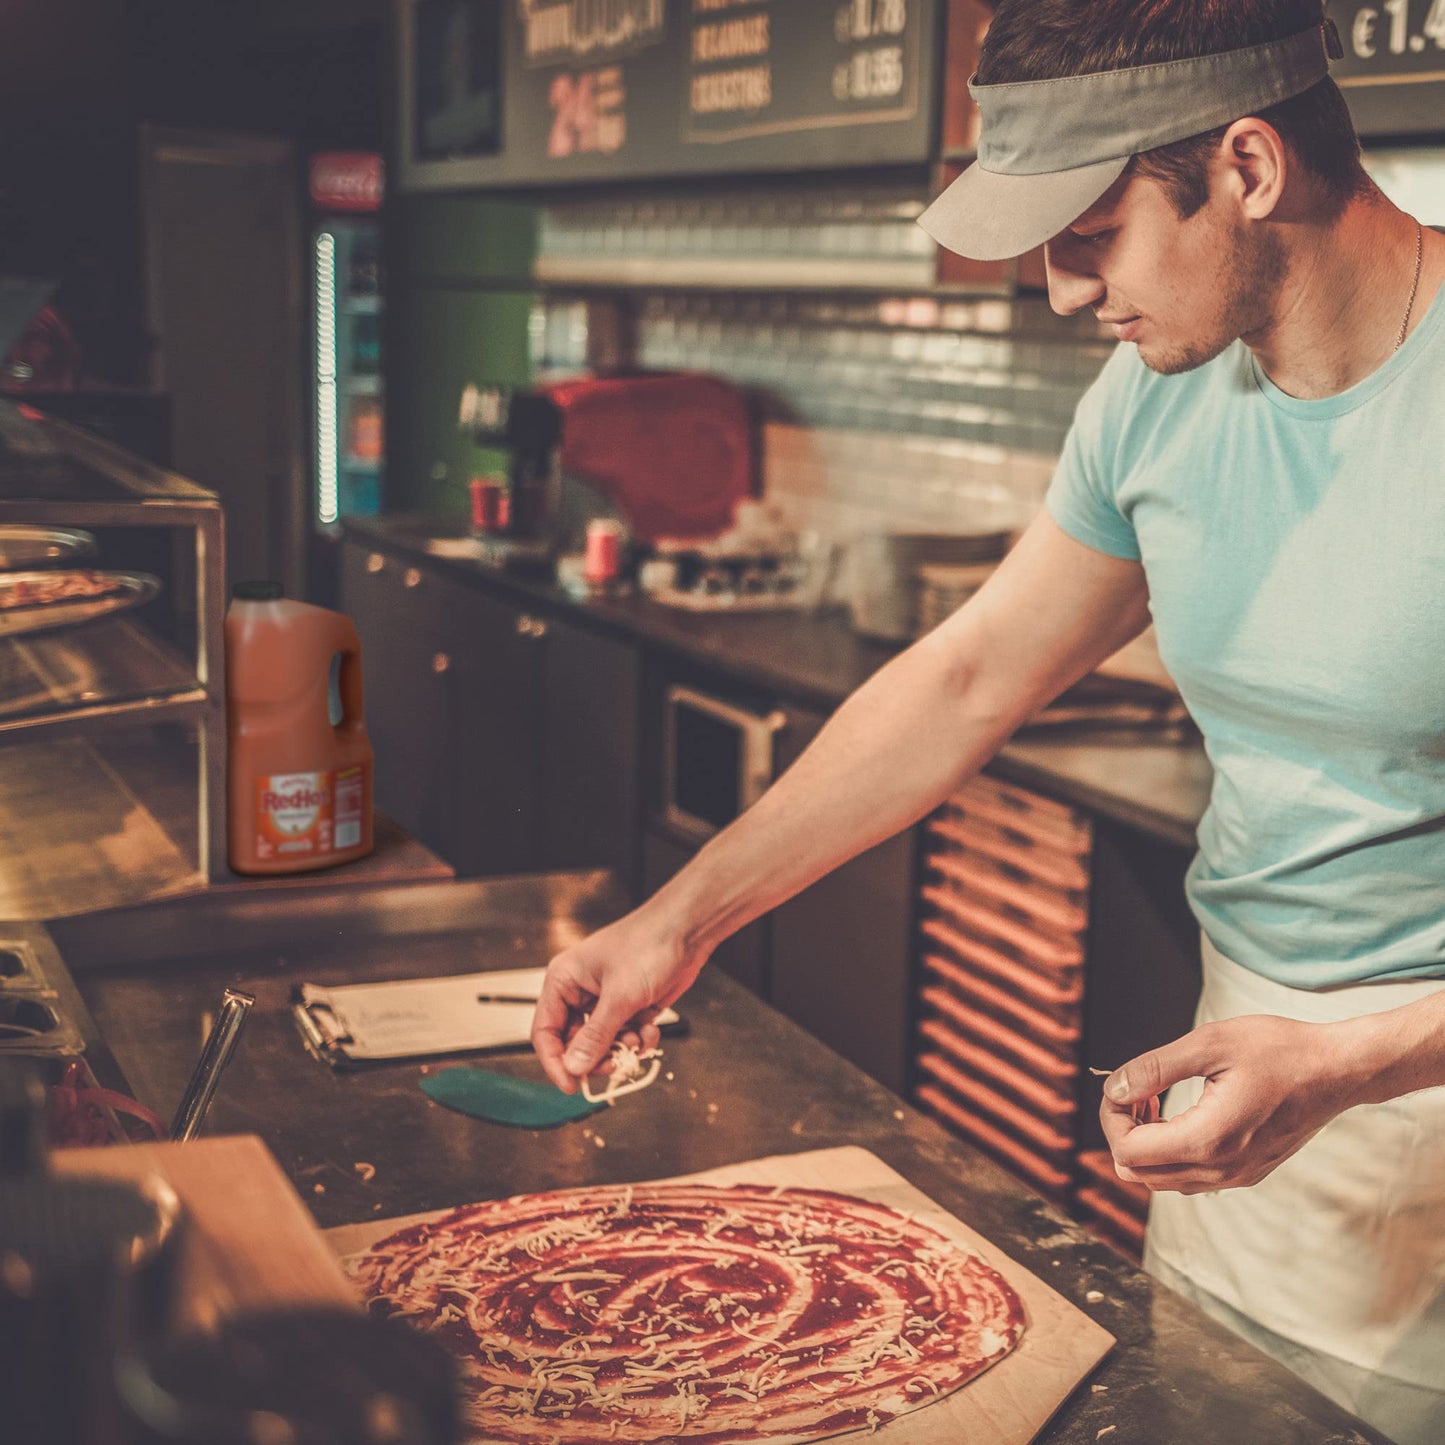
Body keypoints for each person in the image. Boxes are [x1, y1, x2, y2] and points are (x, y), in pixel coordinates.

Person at [532, 2, 1445, 1438]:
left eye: (1088, 239)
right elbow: (965, 679)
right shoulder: (1157, 400)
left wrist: (1345, 1060)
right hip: (1240, 1101)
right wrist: (680, 919)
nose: (1061, 294)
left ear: (1249, 169)